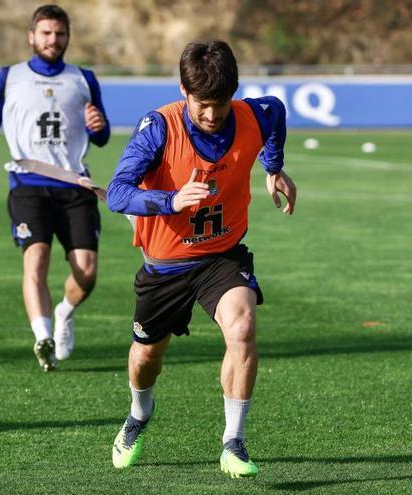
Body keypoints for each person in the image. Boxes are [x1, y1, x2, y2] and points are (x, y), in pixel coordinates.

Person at [106, 40, 296, 478]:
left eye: (220, 104)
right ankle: (138, 415)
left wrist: (273, 167)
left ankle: (234, 441)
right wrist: (171, 201)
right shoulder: (158, 127)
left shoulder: (252, 114)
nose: (212, 115)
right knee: (145, 358)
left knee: (243, 327)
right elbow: (117, 193)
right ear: (183, 90)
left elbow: (276, 113)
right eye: (202, 105)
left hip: (221, 257)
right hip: (166, 266)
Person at [0, 4, 109, 372]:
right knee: (36, 258)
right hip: (28, 185)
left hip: (75, 184)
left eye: (59, 34)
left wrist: (97, 126)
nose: (52, 40)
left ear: (68, 37)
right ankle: (42, 336)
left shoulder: (84, 78)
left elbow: (103, 135)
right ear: (31, 36)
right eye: (45, 33)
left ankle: (64, 312)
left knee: (87, 271)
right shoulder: (9, 76)